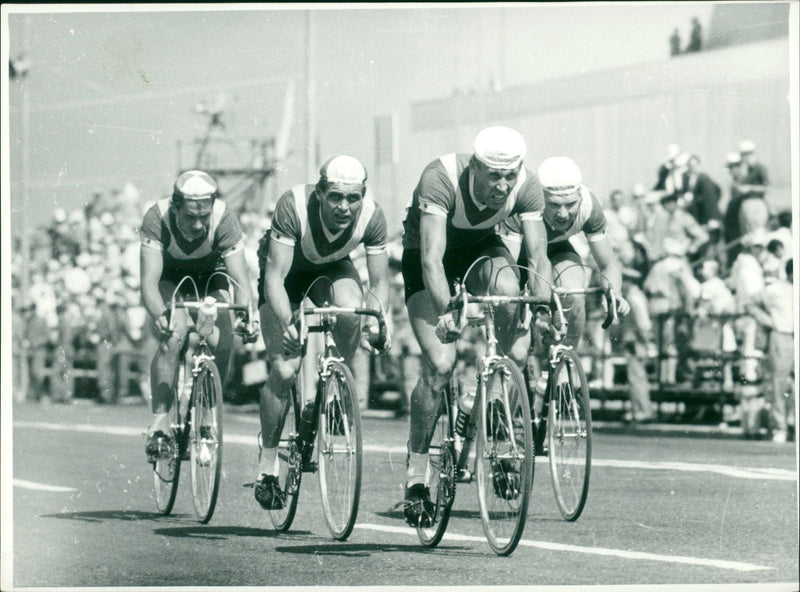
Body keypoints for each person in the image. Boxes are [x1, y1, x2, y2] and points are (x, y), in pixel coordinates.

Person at [399, 126, 551, 527]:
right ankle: (416, 474)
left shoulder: (528, 186)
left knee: (513, 323)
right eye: (494, 176)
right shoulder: (441, 177)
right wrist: (447, 312)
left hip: (481, 248)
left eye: (510, 176)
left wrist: (542, 307)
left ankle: (487, 404)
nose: (503, 186)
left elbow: (538, 255)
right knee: (440, 364)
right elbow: (432, 258)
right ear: (476, 167)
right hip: (428, 257)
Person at [254, 155, 390, 510]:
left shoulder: (373, 215)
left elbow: (379, 283)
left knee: (352, 307)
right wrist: (289, 324)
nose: (344, 207)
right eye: (335, 197)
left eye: (352, 198)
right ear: (320, 194)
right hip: (286, 274)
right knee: (285, 367)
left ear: (363, 195)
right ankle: (268, 467)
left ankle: (333, 384)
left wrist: (377, 321)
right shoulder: (293, 205)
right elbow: (274, 278)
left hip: (332, 268)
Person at [140, 170, 257, 462]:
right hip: (169, 278)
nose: (197, 224)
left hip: (209, 276)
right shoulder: (157, 217)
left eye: (203, 217)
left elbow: (240, 280)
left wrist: (245, 315)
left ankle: (207, 414)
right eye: (189, 217)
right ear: (175, 207)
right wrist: (159, 315)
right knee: (174, 335)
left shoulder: (225, 219)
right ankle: (160, 422)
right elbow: (149, 281)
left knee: (225, 337)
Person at [498, 156, 631, 351]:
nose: (563, 214)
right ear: (539, 197)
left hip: (558, 250)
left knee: (574, 293)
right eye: (553, 205)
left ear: (579, 196)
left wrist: (614, 293)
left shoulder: (589, 206)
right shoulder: (520, 205)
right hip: (520, 256)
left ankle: (567, 357)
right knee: (518, 349)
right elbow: (510, 270)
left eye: (570, 205)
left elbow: (609, 263)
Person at [746, 259, 794, 443]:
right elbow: (750, 303)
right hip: (782, 335)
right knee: (779, 384)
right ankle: (780, 427)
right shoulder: (775, 290)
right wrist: (768, 320)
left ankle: (792, 423)